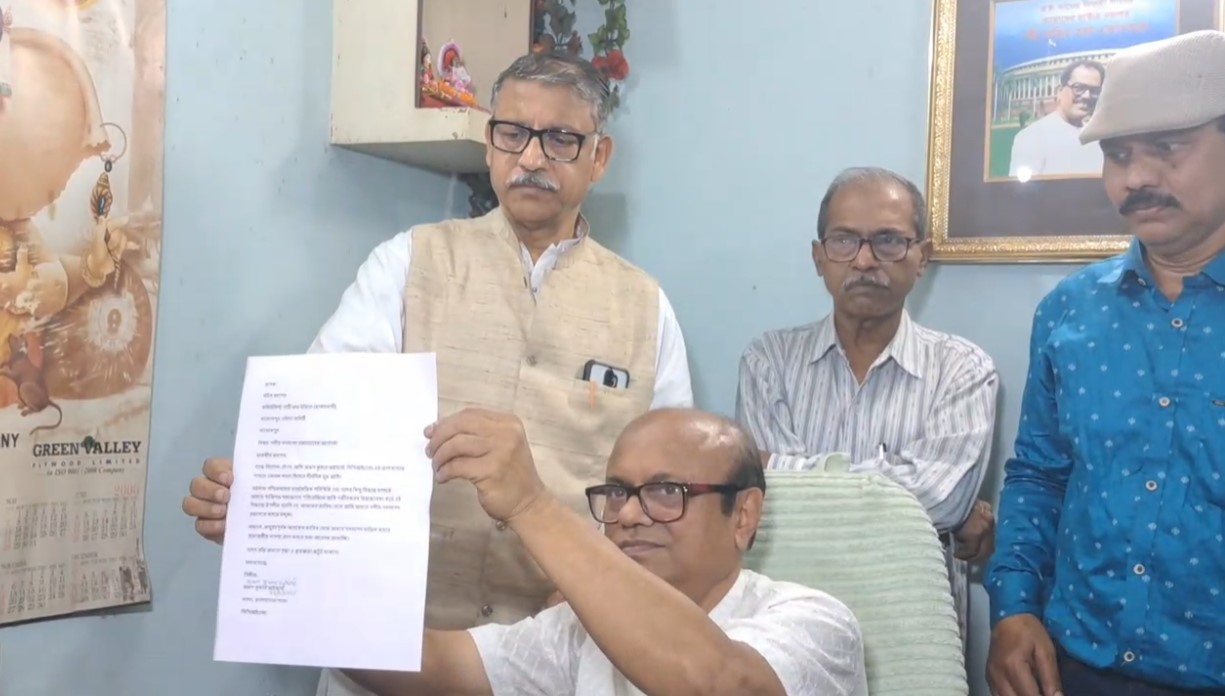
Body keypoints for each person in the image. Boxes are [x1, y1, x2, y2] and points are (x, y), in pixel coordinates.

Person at [181, 51, 693, 696]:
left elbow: (672, 500)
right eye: (513, 133)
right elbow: (322, 433)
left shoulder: (646, 308)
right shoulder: (407, 264)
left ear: (599, 157)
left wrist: (600, 582)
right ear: (490, 143)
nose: (532, 157)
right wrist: (264, 505)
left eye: (561, 139)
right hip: (387, 660)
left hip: (563, 664)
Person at [987, 30, 1225, 696]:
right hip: (1074, 666)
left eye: (1167, 148)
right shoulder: (1070, 311)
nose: (1137, 178)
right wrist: (1012, 608)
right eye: (1118, 155)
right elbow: (1039, 474)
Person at [342, 407, 869, 696]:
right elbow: (440, 665)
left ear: (745, 516)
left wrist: (531, 505)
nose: (630, 514)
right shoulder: (579, 630)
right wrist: (307, 602)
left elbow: (719, 683)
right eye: (617, 492)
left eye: (667, 491)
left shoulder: (814, 622)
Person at [735, 167, 1000, 643]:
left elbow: (942, 501)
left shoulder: (963, 370)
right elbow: (770, 502)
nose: (863, 260)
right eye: (843, 241)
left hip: (914, 636)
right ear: (818, 257)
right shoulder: (768, 361)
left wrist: (781, 467)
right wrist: (902, 491)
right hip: (789, 630)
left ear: (922, 257)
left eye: (888, 241)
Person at [1008, 60, 1106, 179]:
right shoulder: (1032, 137)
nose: (1087, 96)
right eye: (1078, 88)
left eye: (1094, 91)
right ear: (1059, 91)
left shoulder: (1099, 138)